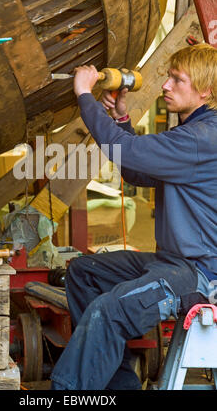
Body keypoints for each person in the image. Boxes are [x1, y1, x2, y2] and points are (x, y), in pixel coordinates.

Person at [50, 43, 217, 390]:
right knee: (85, 273)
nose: (166, 86)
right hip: (172, 261)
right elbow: (138, 173)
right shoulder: (193, 134)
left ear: (206, 91)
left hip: (200, 273)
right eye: (168, 78)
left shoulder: (204, 137)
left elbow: (128, 153)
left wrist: (85, 96)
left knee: (108, 313)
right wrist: (121, 120)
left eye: (177, 80)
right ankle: (119, 388)